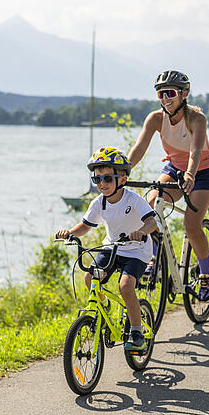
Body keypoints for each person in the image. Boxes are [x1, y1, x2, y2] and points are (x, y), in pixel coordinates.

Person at [127, 69, 209, 302]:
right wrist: (123, 171)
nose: (165, 98)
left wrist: (190, 174)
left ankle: (207, 274)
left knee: (191, 225)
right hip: (173, 170)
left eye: (169, 93)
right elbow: (139, 148)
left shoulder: (197, 118)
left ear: (184, 94)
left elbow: (195, 150)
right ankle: (155, 258)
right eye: (160, 94)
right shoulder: (155, 119)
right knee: (151, 206)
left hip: (203, 173)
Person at [54, 147, 159, 352]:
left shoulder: (133, 200)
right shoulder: (98, 203)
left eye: (108, 178)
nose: (102, 184)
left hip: (136, 250)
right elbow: (85, 226)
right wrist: (70, 233)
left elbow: (152, 222)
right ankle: (104, 306)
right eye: (97, 179)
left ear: (122, 179)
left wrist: (141, 231)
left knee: (126, 286)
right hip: (112, 247)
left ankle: (136, 331)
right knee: (89, 277)